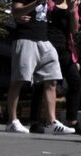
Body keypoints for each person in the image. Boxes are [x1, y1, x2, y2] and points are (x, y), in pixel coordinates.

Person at [6, 0, 75, 134]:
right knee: (19, 80)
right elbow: (16, 11)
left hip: (44, 40)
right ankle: (12, 121)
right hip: (26, 38)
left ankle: (51, 122)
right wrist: (35, 3)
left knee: (52, 80)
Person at [29, 0, 81, 134]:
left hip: (64, 49)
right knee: (41, 84)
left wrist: (71, 10)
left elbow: (75, 30)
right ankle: (35, 122)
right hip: (47, 45)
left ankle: (72, 121)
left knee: (75, 81)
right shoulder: (48, 3)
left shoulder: (72, 5)